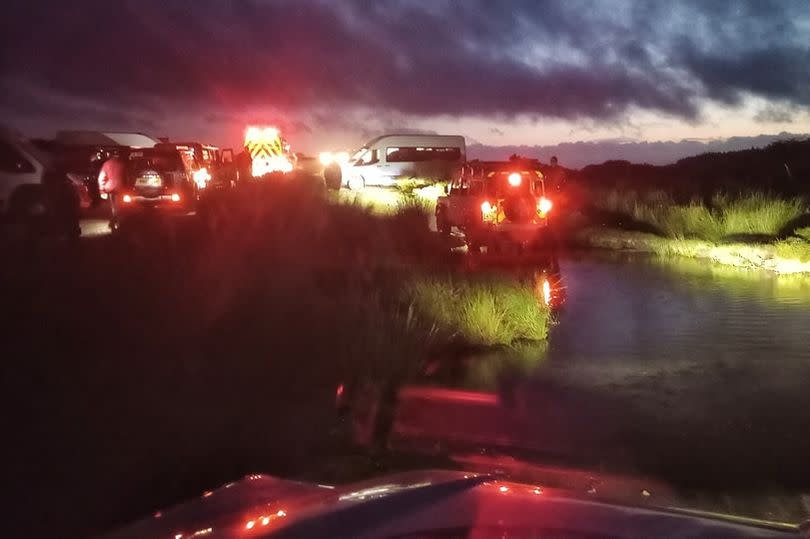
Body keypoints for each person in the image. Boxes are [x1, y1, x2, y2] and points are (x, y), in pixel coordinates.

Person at [98, 152, 126, 229]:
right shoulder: (122, 163)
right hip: (120, 187)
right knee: (120, 205)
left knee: (113, 206)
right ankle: (118, 220)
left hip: (110, 187)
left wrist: (102, 189)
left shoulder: (107, 164)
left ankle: (114, 219)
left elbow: (101, 177)